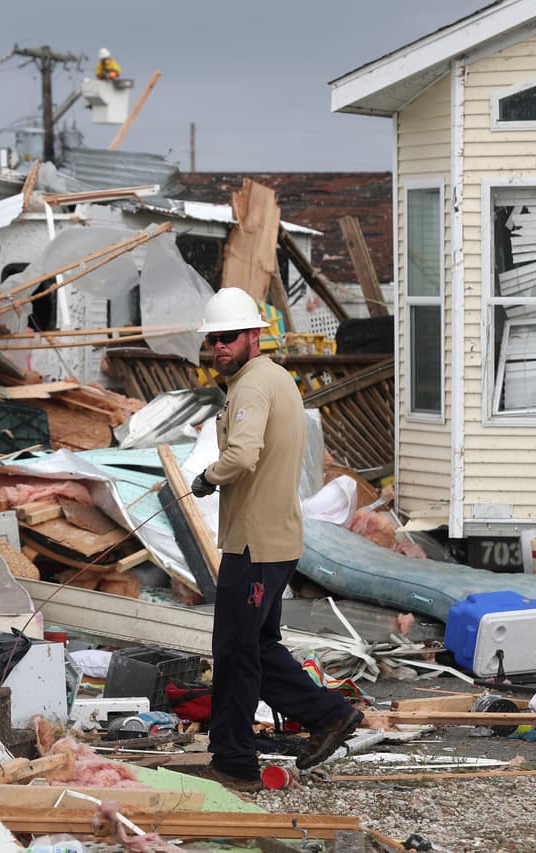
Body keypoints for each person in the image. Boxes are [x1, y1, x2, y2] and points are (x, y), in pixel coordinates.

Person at [189, 286, 363, 790]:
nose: (219, 347)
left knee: (236, 651)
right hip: (276, 540)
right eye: (213, 340)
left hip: (255, 545)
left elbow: (242, 456)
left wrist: (207, 478)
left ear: (252, 336)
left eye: (227, 338)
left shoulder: (250, 386)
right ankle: (328, 715)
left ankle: (235, 759)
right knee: (256, 646)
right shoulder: (277, 379)